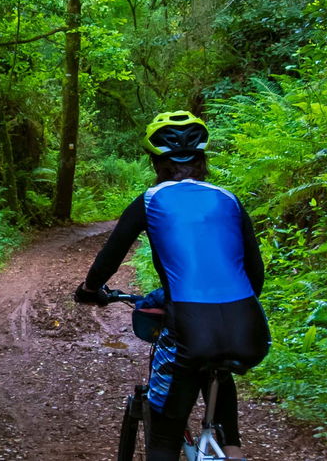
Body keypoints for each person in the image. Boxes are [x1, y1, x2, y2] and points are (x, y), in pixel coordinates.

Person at [73, 111, 270, 461]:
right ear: (202, 159)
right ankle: (233, 450)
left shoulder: (151, 199)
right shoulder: (228, 198)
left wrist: (90, 290)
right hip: (248, 327)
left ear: (155, 162)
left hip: (189, 328)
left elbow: (111, 256)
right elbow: (255, 275)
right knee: (219, 371)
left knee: (164, 438)